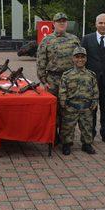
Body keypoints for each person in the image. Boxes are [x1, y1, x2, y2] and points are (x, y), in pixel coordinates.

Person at [36, 12, 81, 142]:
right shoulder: (47, 40)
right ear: (54, 24)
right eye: (59, 21)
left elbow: (80, 60)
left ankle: (66, 137)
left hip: (69, 80)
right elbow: (41, 62)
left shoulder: (74, 40)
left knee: (68, 109)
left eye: (64, 21)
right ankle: (53, 136)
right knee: (53, 110)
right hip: (53, 80)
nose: (62, 23)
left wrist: (77, 77)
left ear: (67, 23)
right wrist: (43, 80)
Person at [81, 13, 105, 144]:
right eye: (101, 23)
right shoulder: (86, 39)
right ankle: (90, 133)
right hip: (90, 81)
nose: (103, 25)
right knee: (91, 108)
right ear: (96, 24)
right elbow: (81, 60)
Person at [59, 47, 99, 155]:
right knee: (68, 128)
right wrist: (63, 104)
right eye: (77, 57)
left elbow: (95, 90)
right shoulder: (67, 75)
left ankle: (87, 145)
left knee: (87, 128)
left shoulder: (91, 75)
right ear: (73, 58)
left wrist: (94, 102)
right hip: (71, 107)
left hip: (86, 107)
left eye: (82, 57)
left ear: (86, 59)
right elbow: (62, 90)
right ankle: (67, 145)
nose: (80, 60)